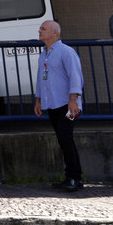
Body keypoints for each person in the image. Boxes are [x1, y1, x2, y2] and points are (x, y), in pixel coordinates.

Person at [34, 20, 84, 193]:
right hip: (53, 104)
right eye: (40, 28)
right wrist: (38, 100)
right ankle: (71, 176)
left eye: (43, 29)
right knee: (63, 140)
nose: (39, 31)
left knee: (66, 138)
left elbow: (75, 77)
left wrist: (73, 100)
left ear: (54, 33)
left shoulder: (66, 52)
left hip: (68, 105)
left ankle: (75, 178)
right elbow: (41, 78)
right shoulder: (44, 54)